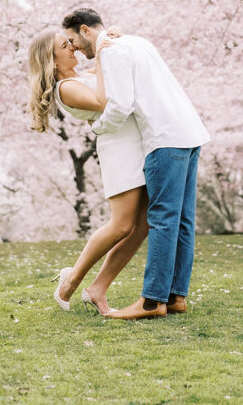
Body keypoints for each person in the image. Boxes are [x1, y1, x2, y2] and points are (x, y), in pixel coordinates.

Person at [63, 8, 209, 320]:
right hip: (189, 131)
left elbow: (120, 105)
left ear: (86, 30)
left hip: (163, 138)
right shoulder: (138, 42)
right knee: (183, 219)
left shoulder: (112, 52)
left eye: (74, 40)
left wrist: (97, 127)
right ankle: (175, 296)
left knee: (163, 218)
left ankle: (151, 301)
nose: (75, 48)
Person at [27, 28, 148, 315]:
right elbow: (104, 102)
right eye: (64, 45)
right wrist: (103, 58)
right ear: (51, 59)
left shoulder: (80, 77)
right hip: (119, 152)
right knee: (121, 225)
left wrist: (109, 38)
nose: (72, 47)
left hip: (135, 145)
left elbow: (114, 71)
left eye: (70, 42)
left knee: (143, 225)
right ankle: (71, 281)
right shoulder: (65, 88)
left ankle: (97, 289)